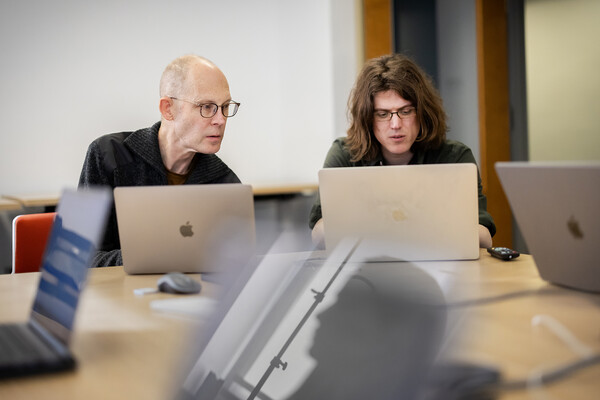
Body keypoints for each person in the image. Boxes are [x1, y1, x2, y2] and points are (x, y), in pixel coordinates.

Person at [309, 53, 495, 249]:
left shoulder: (455, 157)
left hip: (440, 267)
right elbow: (319, 235)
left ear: (422, 112)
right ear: (367, 118)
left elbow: (484, 237)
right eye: (382, 114)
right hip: (365, 268)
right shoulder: (345, 155)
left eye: (405, 111)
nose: (396, 124)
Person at [79, 55, 241, 267]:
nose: (220, 120)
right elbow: (74, 257)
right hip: (116, 297)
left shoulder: (225, 182)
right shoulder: (106, 155)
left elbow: (236, 265)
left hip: (190, 297)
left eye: (225, 106)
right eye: (207, 107)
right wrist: (145, 257)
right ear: (168, 109)